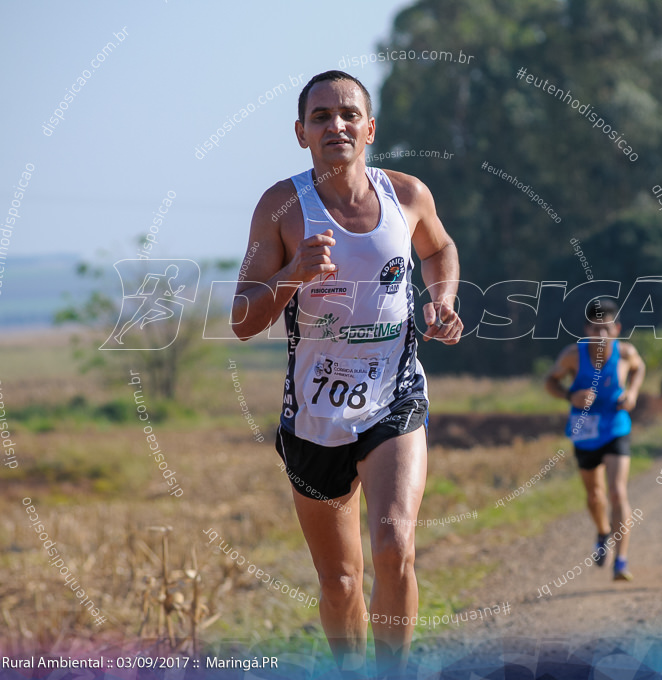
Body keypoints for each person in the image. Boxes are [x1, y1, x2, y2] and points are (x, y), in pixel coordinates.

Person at [231, 70, 463, 677]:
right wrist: (291, 278)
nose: (336, 124)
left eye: (348, 114)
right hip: (314, 411)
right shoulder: (281, 207)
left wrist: (442, 300)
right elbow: (240, 319)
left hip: (394, 395)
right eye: (321, 117)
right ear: (302, 134)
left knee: (393, 546)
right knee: (338, 582)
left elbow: (439, 250)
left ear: (370, 128)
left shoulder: (408, 195)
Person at [545, 298, 645, 581]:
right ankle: (603, 532)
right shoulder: (572, 356)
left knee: (616, 492)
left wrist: (633, 392)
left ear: (617, 329)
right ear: (586, 330)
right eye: (595, 329)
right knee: (595, 495)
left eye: (607, 329)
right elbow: (549, 381)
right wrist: (569, 395)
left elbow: (639, 369)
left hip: (616, 426)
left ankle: (621, 561)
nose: (601, 335)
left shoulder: (626, 353)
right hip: (584, 429)